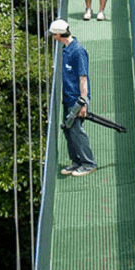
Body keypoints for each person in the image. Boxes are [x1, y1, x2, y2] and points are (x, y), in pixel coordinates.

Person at [48, 18, 96, 177]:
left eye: (53, 35)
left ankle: (89, 163)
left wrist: (83, 102)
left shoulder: (78, 51)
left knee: (76, 131)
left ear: (57, 35)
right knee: (68, 129)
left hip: (77, 100)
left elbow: (83, 78)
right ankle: (76, 161)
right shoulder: (65, 48)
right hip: (67, 97)